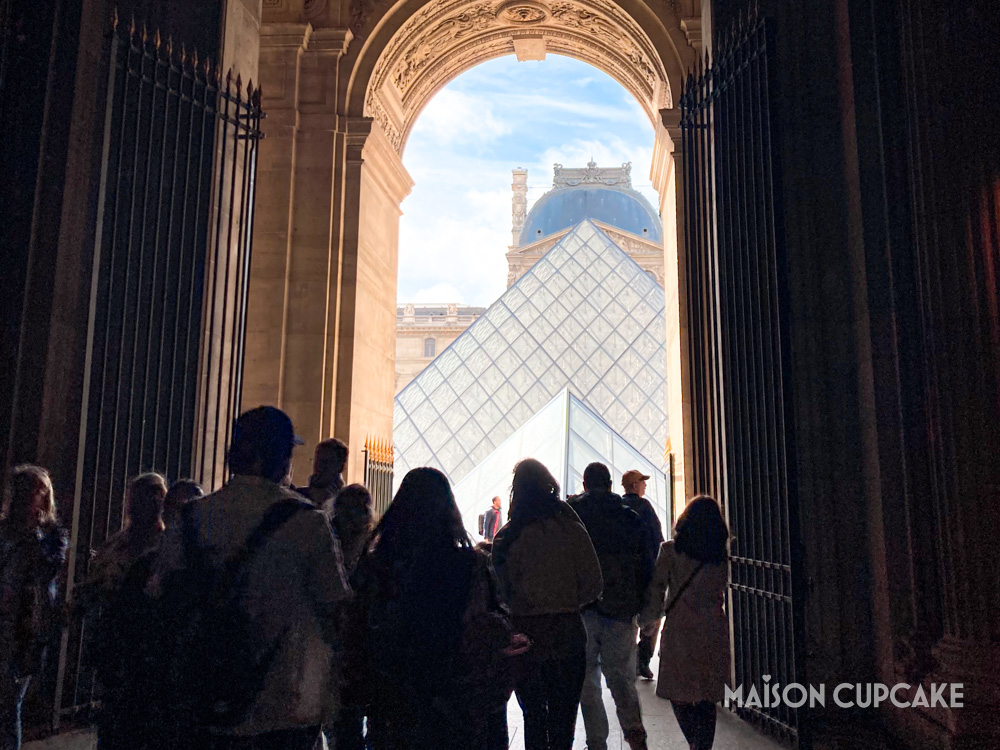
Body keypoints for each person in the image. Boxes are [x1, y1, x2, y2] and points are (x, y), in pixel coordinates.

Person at [165, 406, 351, 750]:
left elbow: (163, 600)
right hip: (282, 706)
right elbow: (336, 614)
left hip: (202, 704)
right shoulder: (308, 524)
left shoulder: (190, 519)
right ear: (282, 461)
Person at [352, 467, 517, 750]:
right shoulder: (468, 566)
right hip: (453, 701)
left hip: (392, 700)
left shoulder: (376, 565)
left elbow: (358, 631)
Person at [492, 459, 603, 750]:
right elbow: (594, 584)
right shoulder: (573, 530)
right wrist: (567, 601)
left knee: (534, 718)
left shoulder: (507, 537)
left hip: (526, 637)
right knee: (563, 717)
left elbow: (499, 594)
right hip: (567, 632)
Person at [568, 463, 652, 750]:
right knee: (621, 680)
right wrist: (644, 608)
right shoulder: (630, 518)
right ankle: (635, 734)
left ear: (585, 483)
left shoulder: (573, 516)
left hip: (583, 610)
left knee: (587, 682)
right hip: (621, 610)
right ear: (611, 484)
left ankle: (596, 742)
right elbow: (645, 566)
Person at [639, 496, 730, 750]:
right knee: (706, 696)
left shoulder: (670, 551)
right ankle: (701, 746)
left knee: (678, 693)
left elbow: (657, 590)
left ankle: (694, 743)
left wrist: (648, 622)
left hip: (680, 629)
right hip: (713, 628)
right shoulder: (719, 555)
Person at [86, 472, 168, 750]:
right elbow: (95, 585)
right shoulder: (121, 542)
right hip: (118, 644)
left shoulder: (165, 546)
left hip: (146, 648)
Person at [0, 465, 68, 750]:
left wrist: (34, 536)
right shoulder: (4, 530)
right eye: (27, 488)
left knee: (10, 700)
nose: (32, 495)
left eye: (38, 489)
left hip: (25, 626)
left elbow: (49, 568)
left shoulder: (53, 534)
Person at [620, 470, 663, 680]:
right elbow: (657, 539)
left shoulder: (617, 507)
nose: (645, 486)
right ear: (635, 486)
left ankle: (628, 660)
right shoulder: (645, 508)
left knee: (628, 621)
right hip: (645, 574)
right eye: (642, 483)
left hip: (623, 577)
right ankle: (642, 659)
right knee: (652, 618)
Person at [305, 438, 349, 512]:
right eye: (317, 460)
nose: (319, 466)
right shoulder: (302, 494)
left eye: (325, 462)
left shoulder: (343, 503)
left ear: (340, 467)